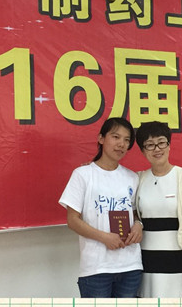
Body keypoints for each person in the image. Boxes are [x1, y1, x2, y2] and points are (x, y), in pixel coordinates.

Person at [59, 117, 143, 298]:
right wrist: (104, 237)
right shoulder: (83, 174)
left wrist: (138, 225)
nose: (121, 144)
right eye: (116, 137)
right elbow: (72, 220)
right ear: (101, 138)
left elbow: (135, 213)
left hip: (131, 266)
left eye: (127, 140)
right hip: (96, 268)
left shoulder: (132, 177)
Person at [135, 121, 182, 298]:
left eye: (161, 142)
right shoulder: (138, 179)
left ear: (169, 145)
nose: (157, 149)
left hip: (179, 260)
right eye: (150, 145)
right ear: (142, 150)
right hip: (147, 260)